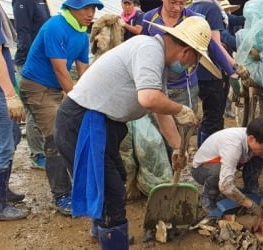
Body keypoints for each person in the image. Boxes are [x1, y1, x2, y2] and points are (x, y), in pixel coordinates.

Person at [54, 16, 217, 249]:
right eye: (195, 60)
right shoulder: (149, 48)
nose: (191, 66)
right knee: (111, 194)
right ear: (185, 52)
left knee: (115, 180)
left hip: (102, 124)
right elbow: (149, 99)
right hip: (83, 122)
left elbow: (161, 111)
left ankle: (104, 232)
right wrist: (181, 109)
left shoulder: (157, 61)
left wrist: (176, 147)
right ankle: (112, 239)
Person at [19, 0, 104, 216]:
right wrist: (79, 101)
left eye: (93, 9)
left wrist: (91, 97)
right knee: (56, 137)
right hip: (36, 86)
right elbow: (60, 70)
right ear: (72, 8)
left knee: (72, 132)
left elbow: (83, 69)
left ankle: (79, 184)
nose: (91, 13)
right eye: (86, 8)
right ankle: (61, 195)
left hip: (55, 88)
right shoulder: (55, 27)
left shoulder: (82, 32)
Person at [191, 117, 263, 232]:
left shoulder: (257, 140)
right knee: (219, 174)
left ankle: (251, 189)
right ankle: (208, 199)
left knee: (259, 155)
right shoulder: (233, 145)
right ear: (252, 139)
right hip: (202, 169)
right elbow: (226, 186)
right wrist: (251, 205)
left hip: (222, 164)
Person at [188, 0, 247, 146]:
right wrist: (233, 66)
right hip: (211, 70)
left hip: (194, 69)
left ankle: (201, 153)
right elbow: (216, 44)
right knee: (214, 118)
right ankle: (209, 159)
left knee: (207, 117)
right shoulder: (212, 9)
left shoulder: (192, 7)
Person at [0, 0, 28, 221]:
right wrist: (9, 94)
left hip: (0, 87)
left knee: (11, 137)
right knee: (2, 146)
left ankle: (1, 191)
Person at [12, 0, 51, 170]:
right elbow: (23, 30)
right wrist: (29, 61)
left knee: (43, 106)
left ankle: (44, 150)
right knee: (33, 108)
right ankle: (37, 154)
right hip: (29, 62)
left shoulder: (42, 1)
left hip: (43, 60)